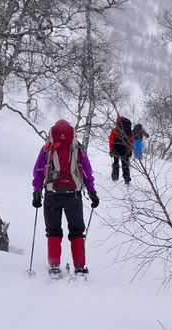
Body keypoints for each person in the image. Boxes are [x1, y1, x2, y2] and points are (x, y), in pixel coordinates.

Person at [32, 119, 99, 277]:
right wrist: (92, 192)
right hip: (73, 195)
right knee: (77, 232)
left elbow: (39, 170)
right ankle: (80, 267)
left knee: (53, 230)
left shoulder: (47, 148)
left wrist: (36, 192)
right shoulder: (77, 148)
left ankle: (54, 266)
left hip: (51, 194)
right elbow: (87, 171)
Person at [109, 116, 134, 184]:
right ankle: (127, 179)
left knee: (116, 162)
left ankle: (115, 177)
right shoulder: (129, 130)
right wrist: (130, 150)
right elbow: (132, 141)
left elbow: (111, 140)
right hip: (125, 148)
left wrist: (111, 150)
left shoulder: (115, 130)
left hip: (116, 148)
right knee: (125, 164)